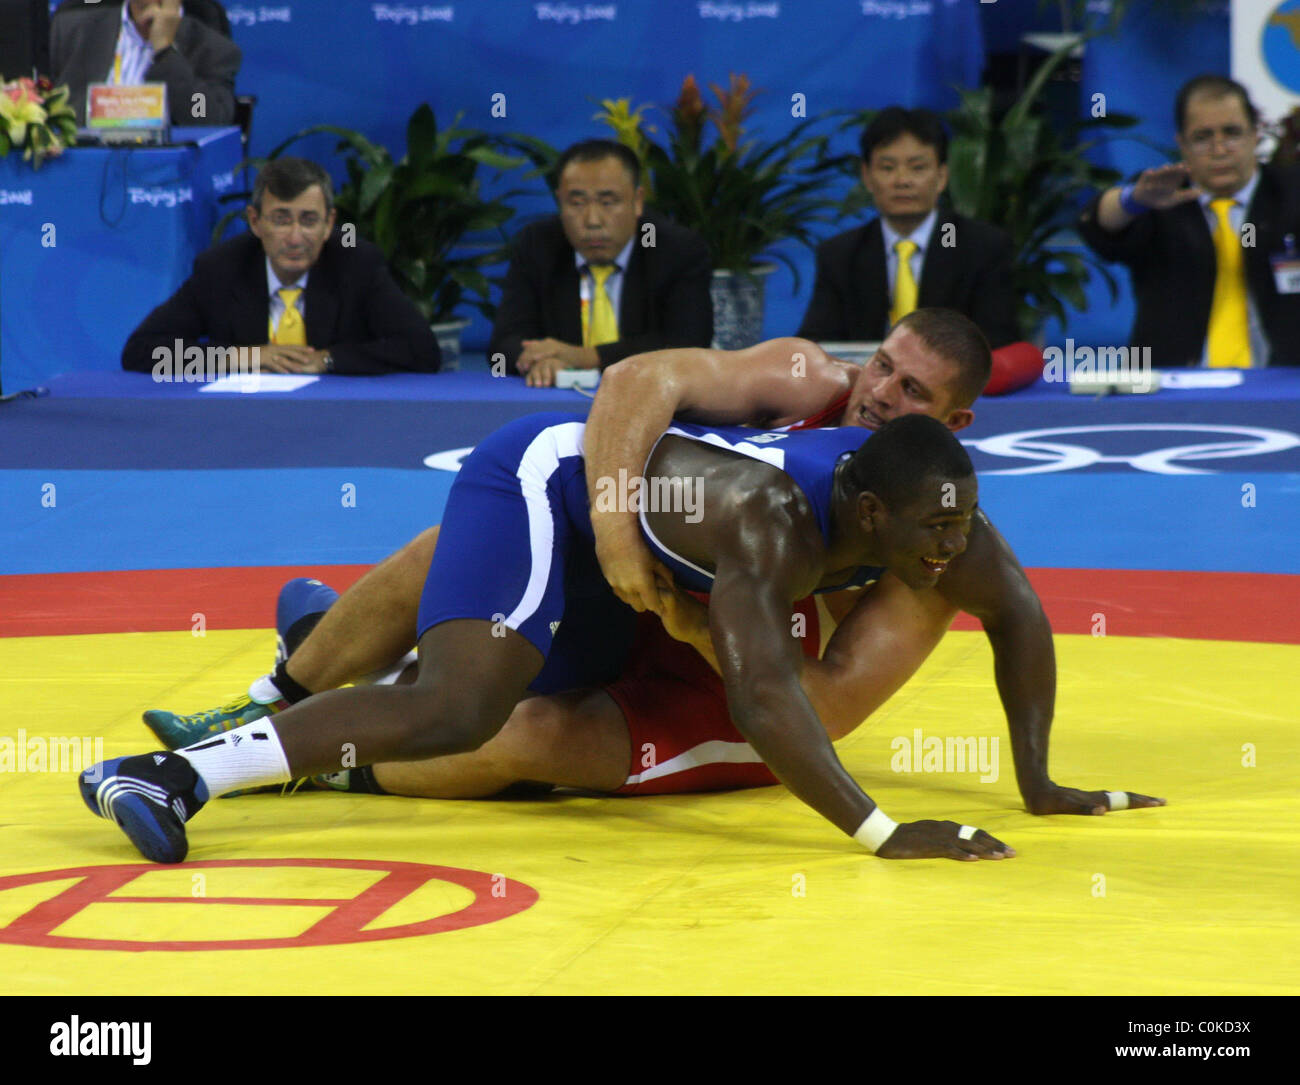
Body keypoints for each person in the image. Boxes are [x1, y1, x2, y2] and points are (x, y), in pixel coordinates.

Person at [132, 310, 1159, 846]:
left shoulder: (934, 548)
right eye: (883, 366)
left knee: (515, 731)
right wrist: (625, 548)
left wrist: (1033, 778)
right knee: (441, 558)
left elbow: (817, 702)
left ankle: (334, 744)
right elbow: (635, 383)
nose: (878, 394)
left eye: (913, 389)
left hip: (724, 674)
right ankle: (280, 699)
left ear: (954, 424)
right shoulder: (804, 383)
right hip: (664, 575)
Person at [121, 157, 441, 376]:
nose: (295, 237)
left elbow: (422, 350)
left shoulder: (356, 265)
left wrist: (327, 360)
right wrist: (245, 356)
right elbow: (141, 352)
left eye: (309, 220)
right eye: (281, 219)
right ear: (256, 221)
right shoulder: (221, 269)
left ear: (329, 224)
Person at [1077, 74, 1300, 368]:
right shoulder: (1159, 198)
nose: (1219, 150)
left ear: (1255, 134)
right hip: (1174, 385)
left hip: (1282, 384)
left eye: (1231, 133)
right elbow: (1098, 227)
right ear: (1182, 144)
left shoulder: (1291, 193)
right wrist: (1133, 201)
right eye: (1202, 137)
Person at [489, 139, 713, 387]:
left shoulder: (676, 250)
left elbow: (689, 343)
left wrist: (585, 357)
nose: (593, 220)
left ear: (637, 201)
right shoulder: (537, 245)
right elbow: (503, 344)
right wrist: (538, 360)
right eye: (576, 203)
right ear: (559, 200)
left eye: (608, 202)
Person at [797, 107, 1020, 349]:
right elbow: (815, 343)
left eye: (917, 168)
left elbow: (999, 344)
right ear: (867, 176)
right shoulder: (840, 254)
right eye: (887, 168)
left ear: (942, 176)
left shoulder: (983, 248)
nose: (902, 181)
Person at [51, 0, 241, 127]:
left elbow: (205, 120)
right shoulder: (74, 32)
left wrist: (165, 52)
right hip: (87, 165)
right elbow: (44, 108)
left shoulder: (211, 49)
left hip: (166, 173)